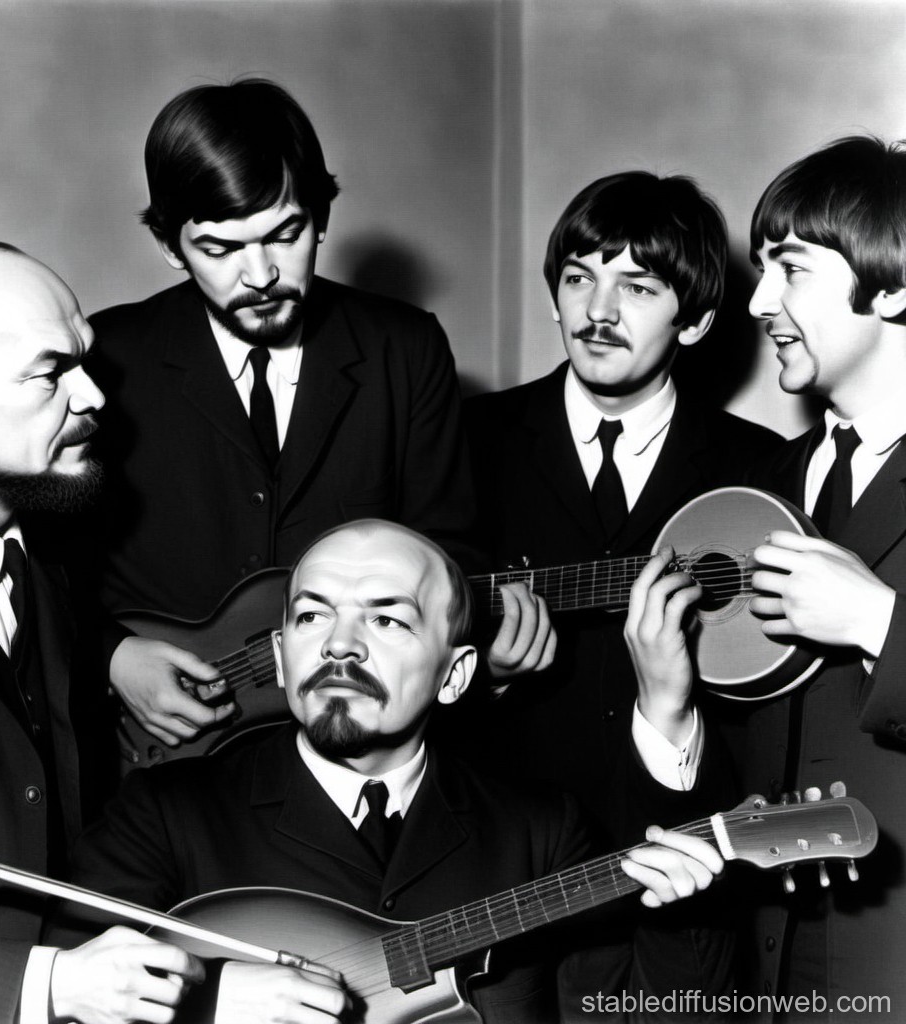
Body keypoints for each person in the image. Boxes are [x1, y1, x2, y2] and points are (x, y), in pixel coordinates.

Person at [61, 519, 730, 1023]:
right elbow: (63, 993)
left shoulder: (540, 833)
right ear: (283, 655)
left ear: (455, 675)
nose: (340, 644)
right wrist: (204, 999)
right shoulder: (165, 815)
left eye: (386, 619)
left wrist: (682, 903)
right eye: (311, 615)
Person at [81, 79, 552, 770]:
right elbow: (43, 569)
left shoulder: (406, 347)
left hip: (353, 757)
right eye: (221, 249)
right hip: (157, 764)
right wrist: (113, 659)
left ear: (322, 215)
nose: (262, 272)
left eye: (286, 233)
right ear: (170, 248)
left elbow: (450, 551)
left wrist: (481, 648)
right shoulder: (106, 358)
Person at [0, 237, 205, 1023]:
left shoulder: (39, 556)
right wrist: (49, 984)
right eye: (51, 371)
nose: (95, 396)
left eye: (85, 359)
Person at [627, 136, 906, 1018]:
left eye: (791, 269)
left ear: (895, 285)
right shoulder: (755, 492)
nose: (758, 302)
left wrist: (878, 623)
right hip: (760, 975)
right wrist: (667, 715)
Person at [460, 170, 780, 837]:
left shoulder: (760, 466)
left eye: (636, 288)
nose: (597, 312)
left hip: (683, 858)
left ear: (692, 323)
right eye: (579, 278)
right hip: (508, 859)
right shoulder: (464, 439)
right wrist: (487, 675)